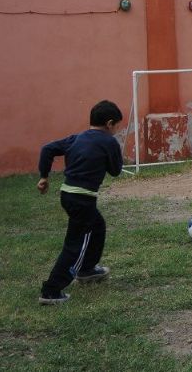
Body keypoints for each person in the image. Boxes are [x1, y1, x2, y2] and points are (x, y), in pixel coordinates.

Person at [37, 100, 124, 305]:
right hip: (82, 198)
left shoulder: (76, 138)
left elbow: (47, 149)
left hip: (68, 194)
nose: (116, 131)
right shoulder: (108, 141)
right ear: (109, 124)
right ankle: (51, 290)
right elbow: (115, 171)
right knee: (76, 244)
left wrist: (43, 176)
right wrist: (114, 152)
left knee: (98, 226)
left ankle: (87, 269)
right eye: (117, 126)